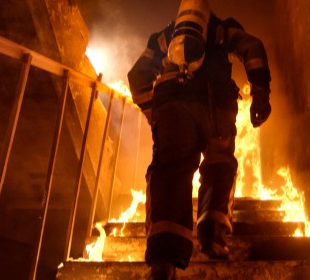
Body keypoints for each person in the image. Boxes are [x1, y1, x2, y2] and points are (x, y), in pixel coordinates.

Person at [127, 0, 271, 278]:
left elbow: (137, 76)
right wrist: (260, 94)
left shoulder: (165, 36)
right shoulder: (223, 29)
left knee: (170, 173)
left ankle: (163, 262)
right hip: (216, 107)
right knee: (219, 165)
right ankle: (212, 234)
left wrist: (153, 112)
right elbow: (253, 48)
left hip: (173, 110)